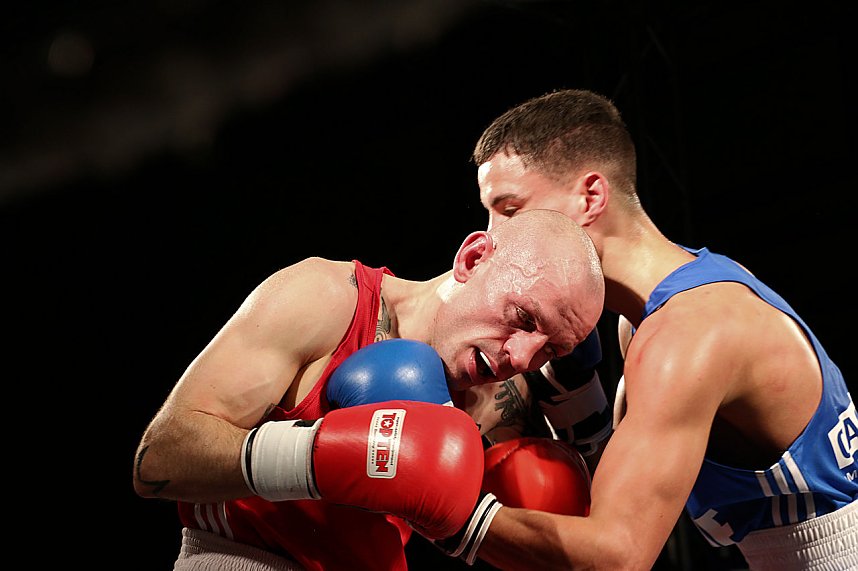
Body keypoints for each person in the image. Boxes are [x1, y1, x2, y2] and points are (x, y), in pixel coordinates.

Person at [455, 89, 857, 570]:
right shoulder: (650, 313)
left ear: (591, 196)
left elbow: (616, 557)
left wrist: (448, 511)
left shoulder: (690, 332)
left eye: (511, 210)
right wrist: (581, 410)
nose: (493, 238)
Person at [132, 208, 605, 571]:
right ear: (473, 258)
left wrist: (587, 418)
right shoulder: (325, 299)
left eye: (550, 351)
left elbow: (581, 548)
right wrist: (318, 457)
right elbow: (159, 459)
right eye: (523, 318)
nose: (521, 358)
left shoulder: (503, 407)